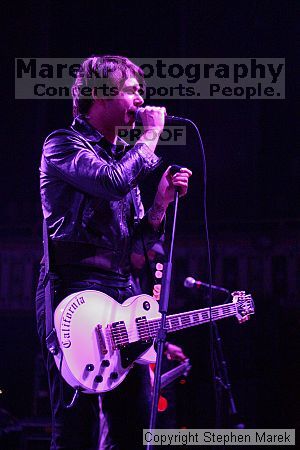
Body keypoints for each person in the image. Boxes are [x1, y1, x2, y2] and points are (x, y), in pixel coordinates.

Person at [35, 55, 192, 450]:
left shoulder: (124, 159)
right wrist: (151, 137)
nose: (142, 98)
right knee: (77, 430)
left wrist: (159, 205)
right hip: (71, 289)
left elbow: (137, 253)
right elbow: (110, 182)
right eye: (133, 89)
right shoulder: (62, 144)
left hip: (120, 292)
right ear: (101, 94)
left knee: (134, 426)